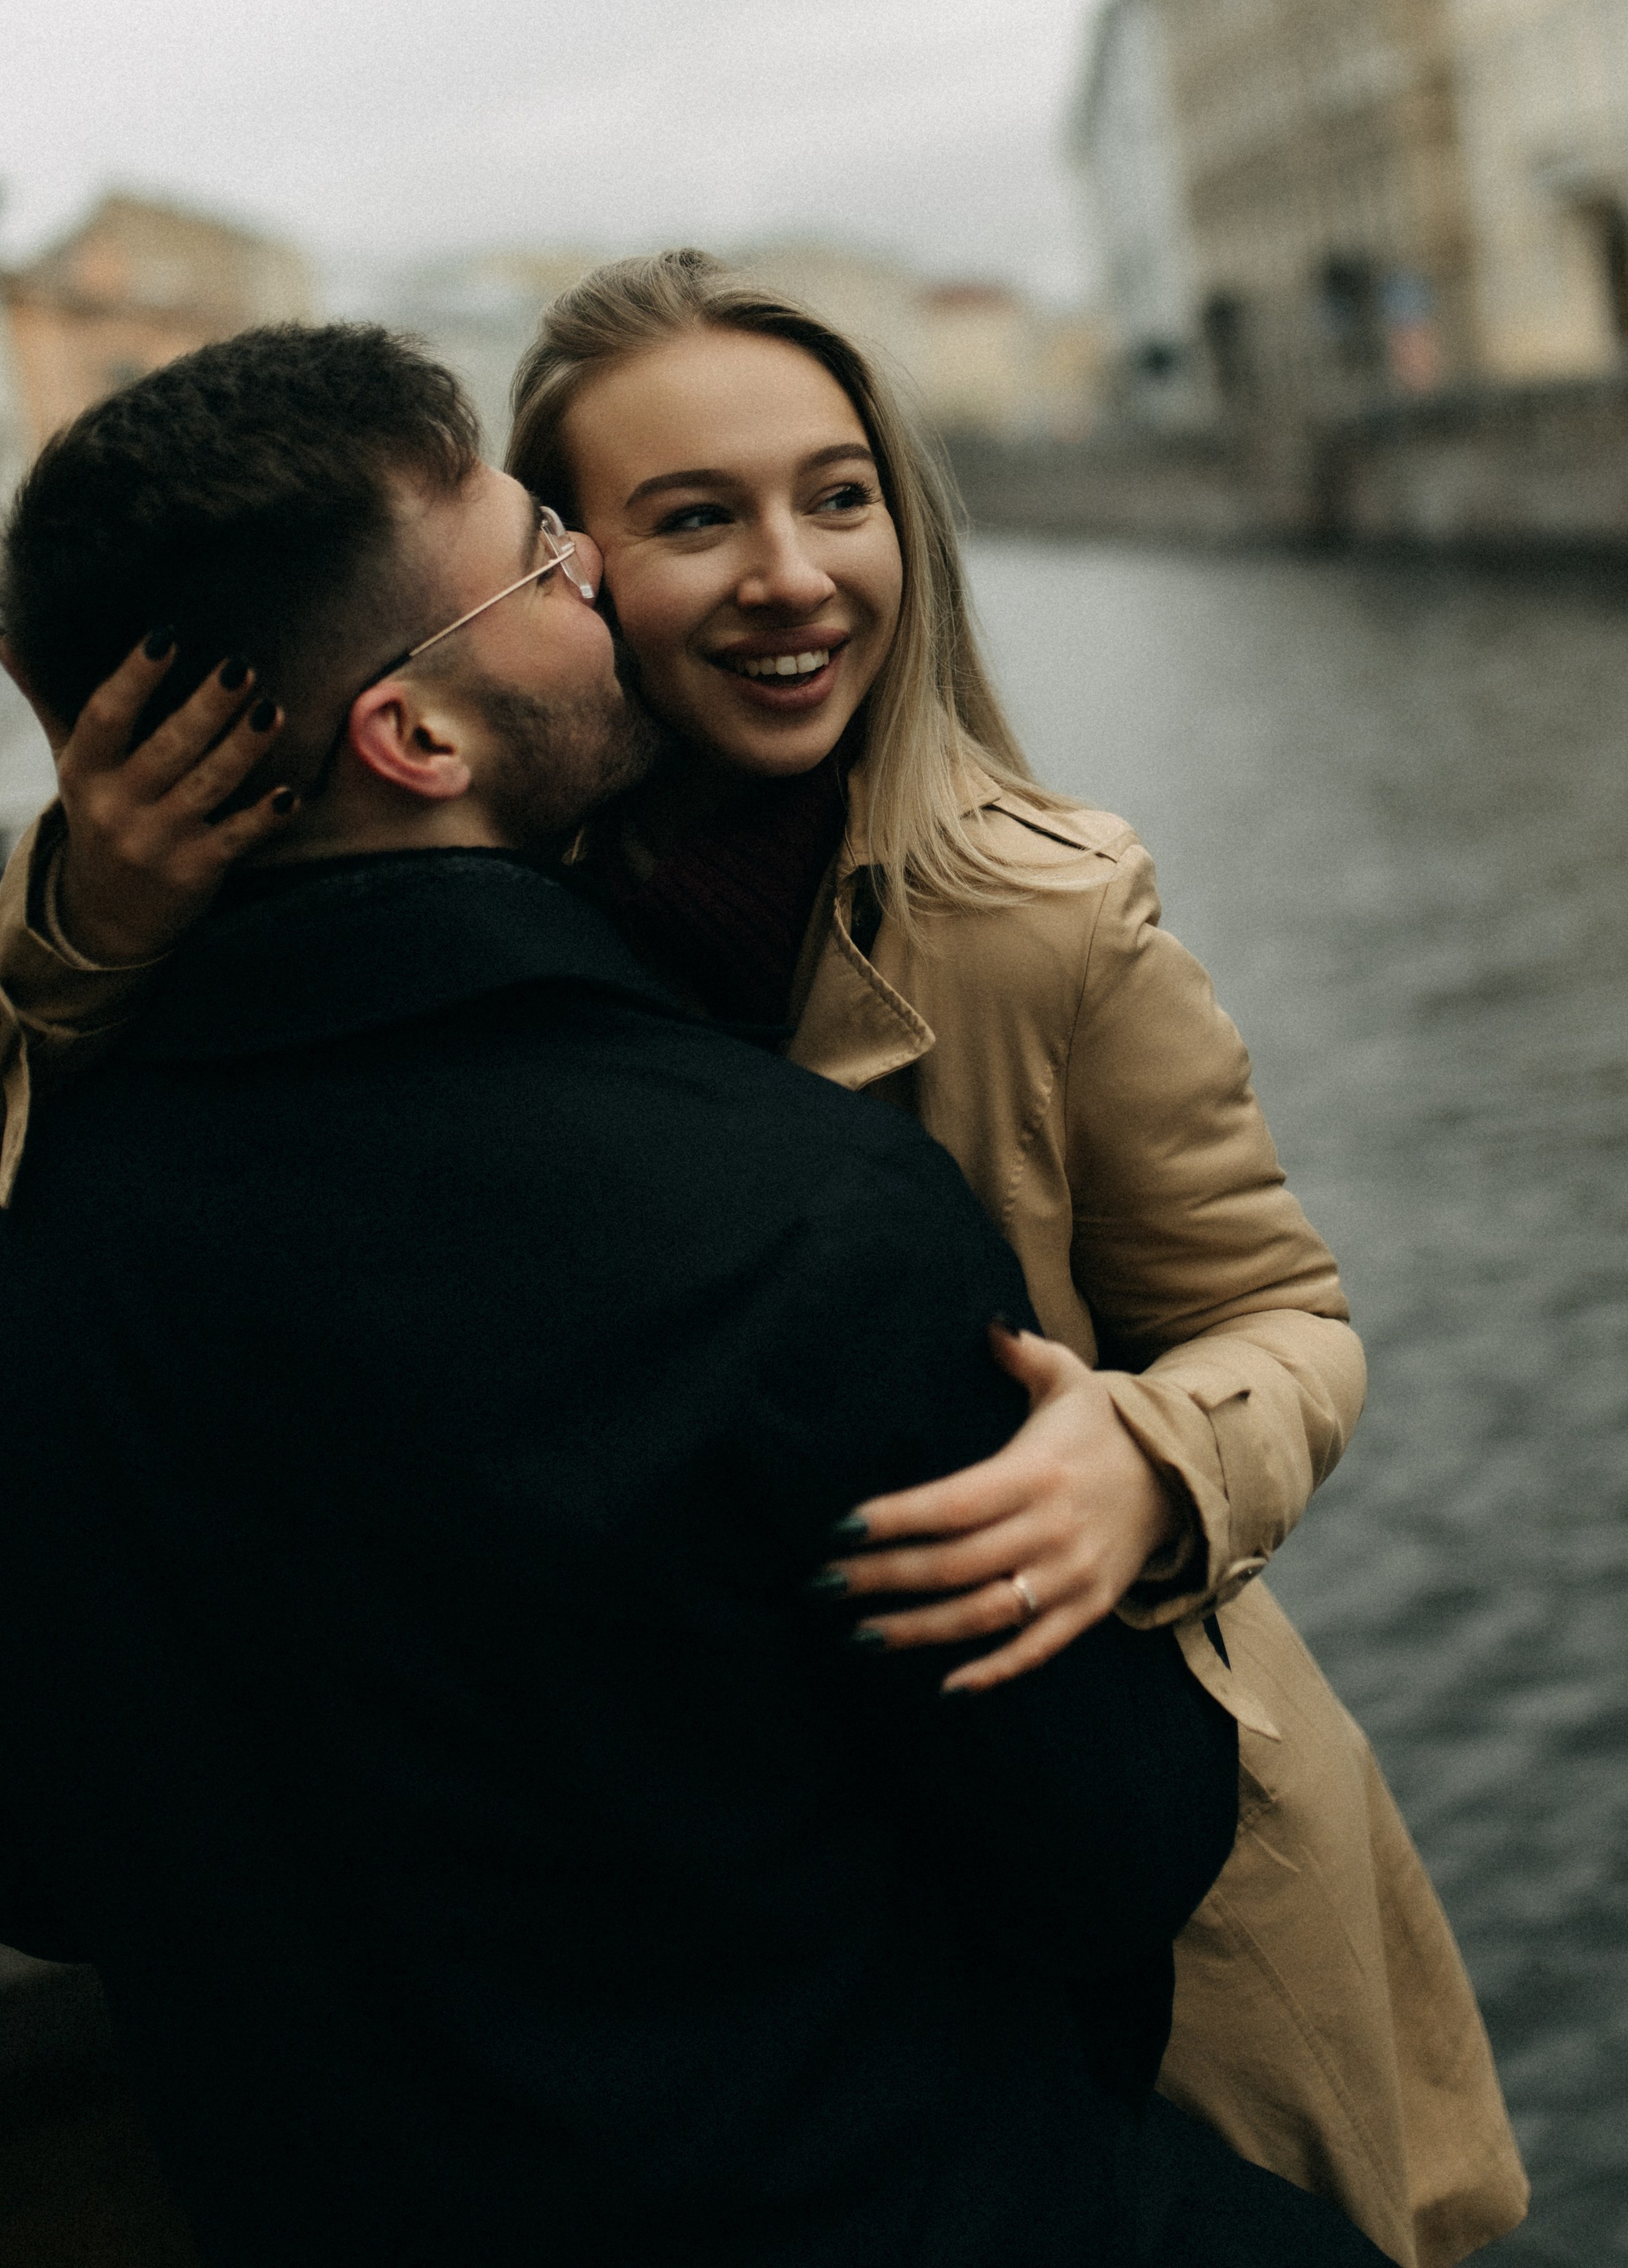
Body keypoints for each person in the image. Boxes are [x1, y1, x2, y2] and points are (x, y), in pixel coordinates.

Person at [0, 263, 1529, 2268]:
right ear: (565, 575)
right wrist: (89, 926)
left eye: (842, 495)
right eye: (685, 520)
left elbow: (1282, 1317)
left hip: (1093, 1888)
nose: (794, 576)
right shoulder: (418, 874)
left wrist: (1152, 1457)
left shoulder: (1040, 913)